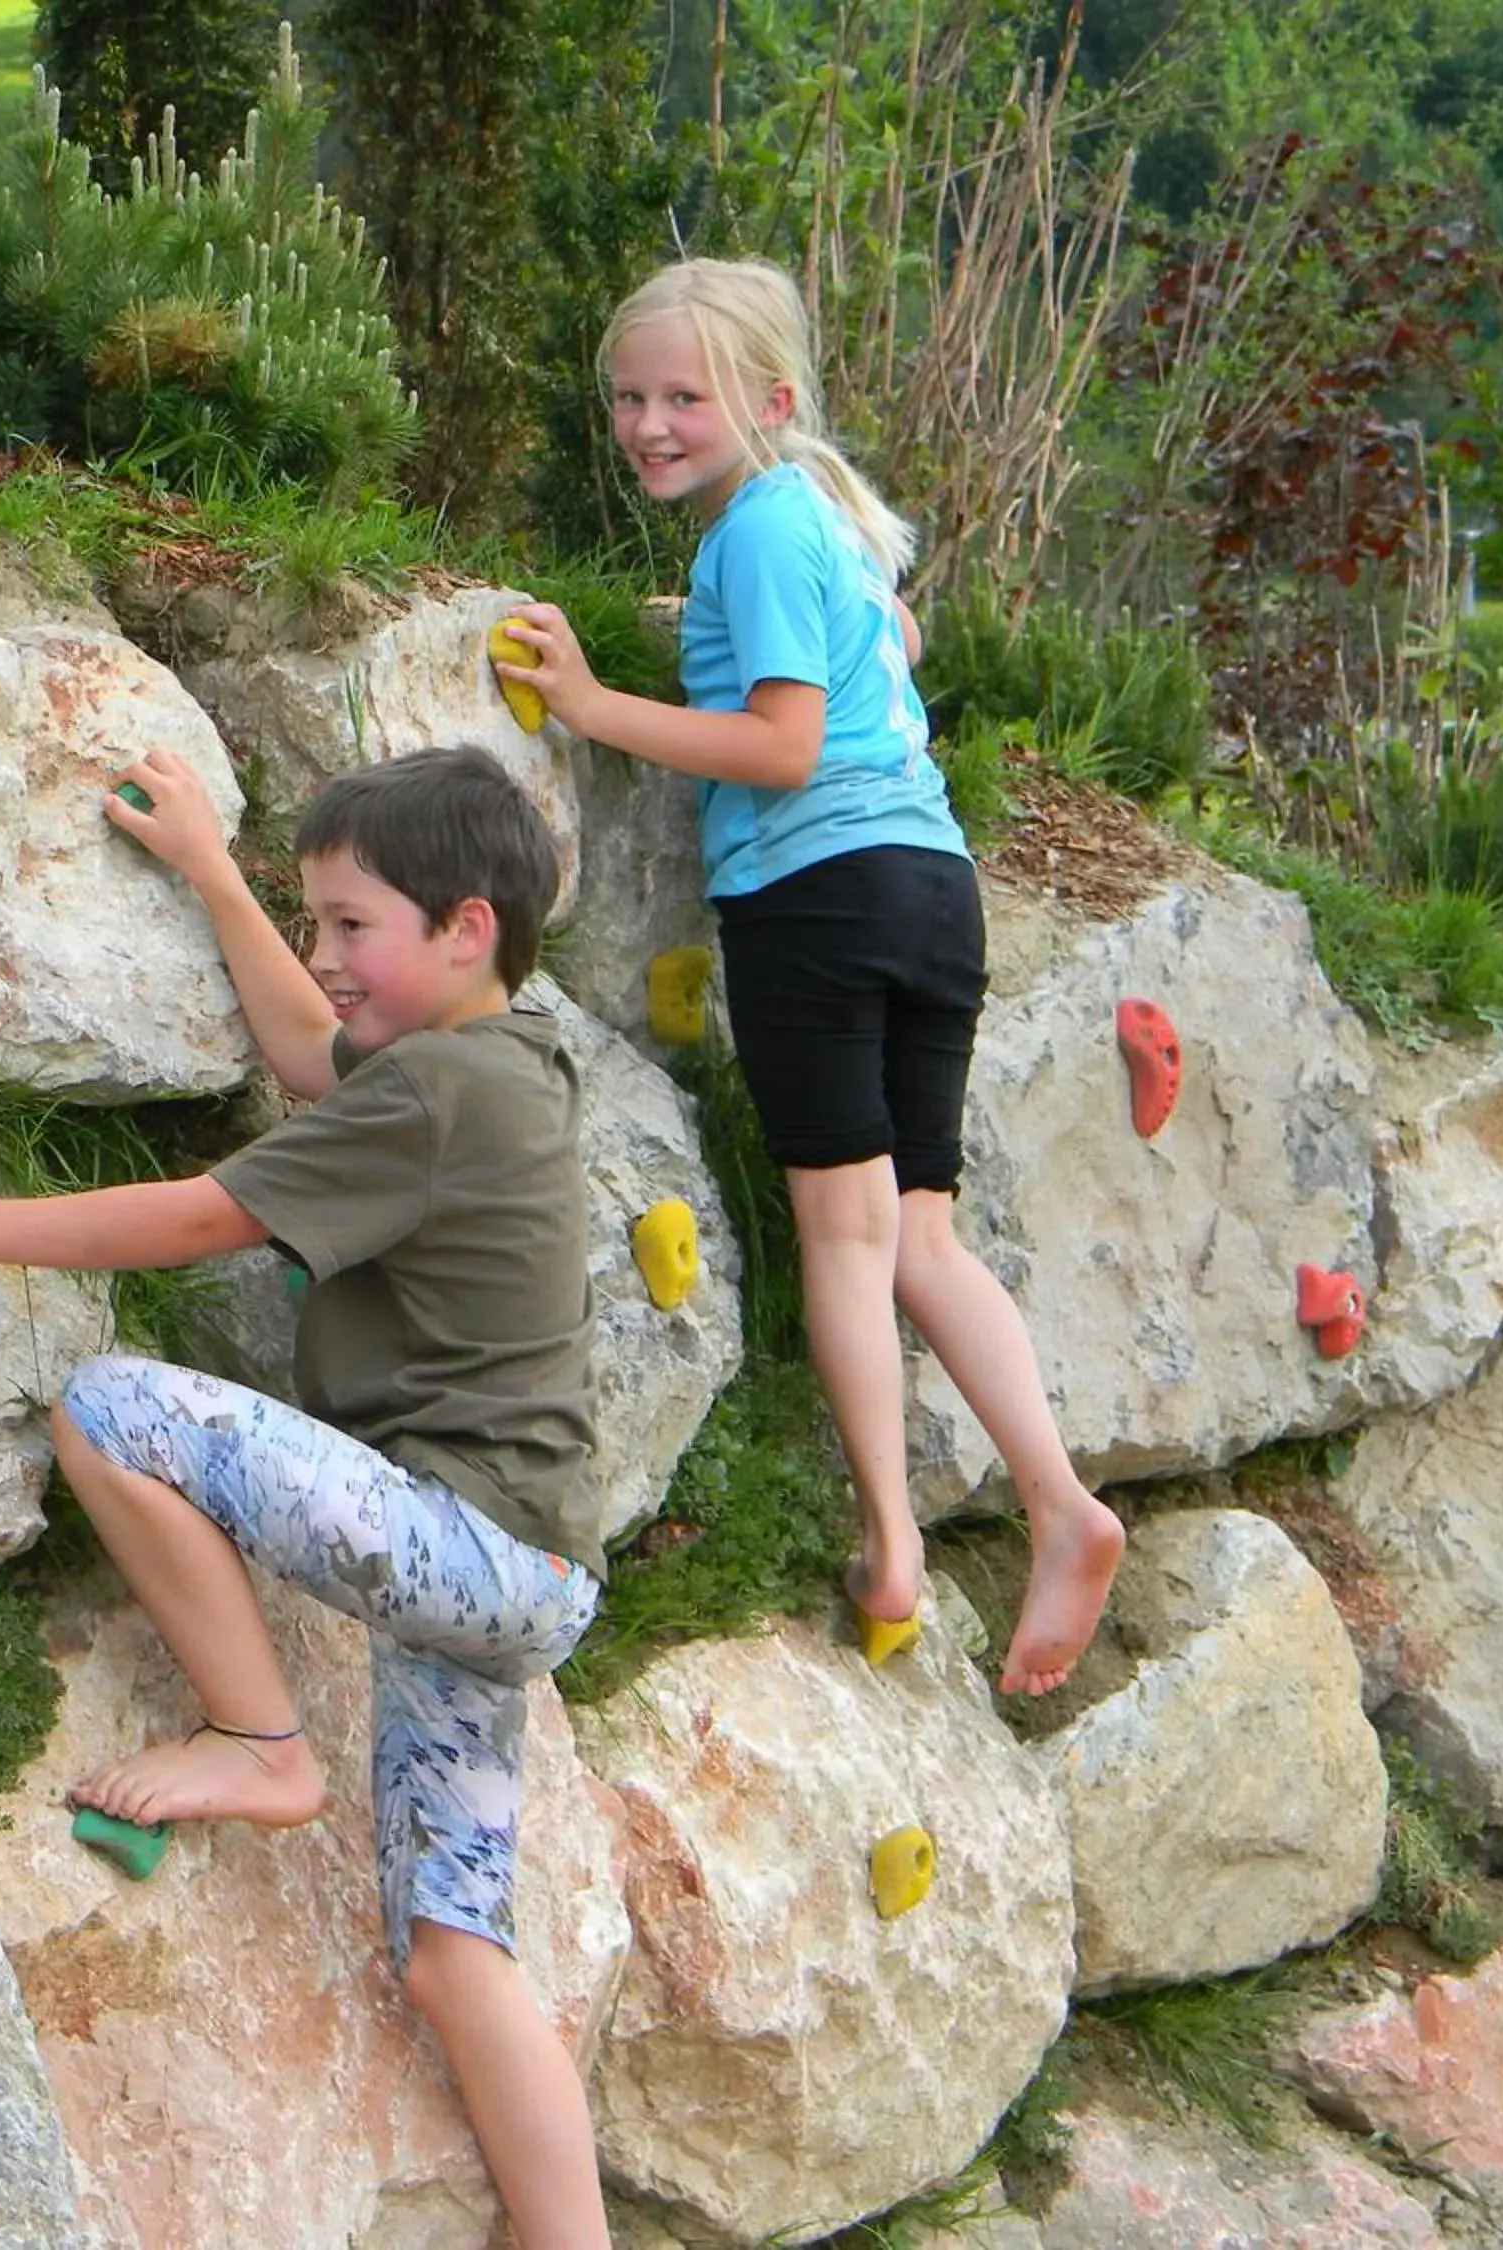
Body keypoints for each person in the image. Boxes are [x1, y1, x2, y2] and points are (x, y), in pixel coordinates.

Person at [0, 745, 612, 2248]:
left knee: (111, 1410)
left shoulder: (441, 1087)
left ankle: (260, 1740)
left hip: (457, 1540)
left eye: (351, 924)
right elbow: (313, 1050)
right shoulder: (499, 1059)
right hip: (522, 1582)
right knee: (453, 1947)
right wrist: (215, 873)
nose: (326, 955)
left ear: (467, 928)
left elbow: (198, 1217)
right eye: (317, 921)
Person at [492, 256, 1126, 1698]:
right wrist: (694, 626)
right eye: (628, 398)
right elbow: (874, 649)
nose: (648, 424)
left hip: (817, 898)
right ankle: (1060, 1498)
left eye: (682, 397)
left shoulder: (760, 534)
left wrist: (594, 703)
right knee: (921, 1239)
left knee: (844, 1239)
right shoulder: (826, 517)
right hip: (930, 890)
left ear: (768, 399)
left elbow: (782, 746)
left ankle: (893, 1543)